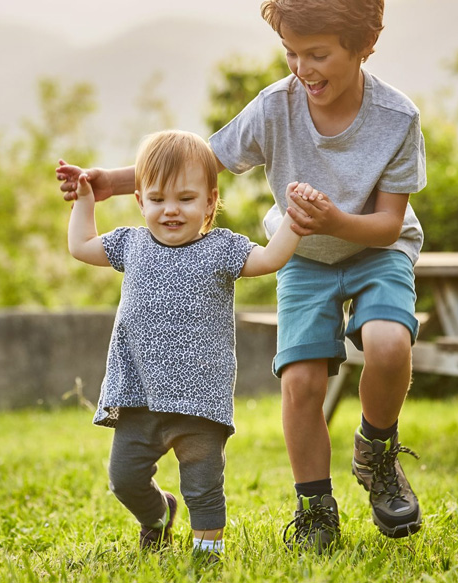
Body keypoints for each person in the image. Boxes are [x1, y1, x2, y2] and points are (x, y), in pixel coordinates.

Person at [57, 0, 426, 552]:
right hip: (301, 256)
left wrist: (332, 220)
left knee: (389, 344)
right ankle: (316, 507)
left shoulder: (397, 118)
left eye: (318, 54)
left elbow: (387, 224)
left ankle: (376, 451)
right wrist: (108, 180)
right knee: (301, 381)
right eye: (291, 53)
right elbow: (204, 161)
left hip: (376, 248)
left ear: (364, 46)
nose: (302, 69)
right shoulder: (275, 106)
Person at [67, 129, 307, 559]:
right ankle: (158, 516)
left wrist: (293, 220)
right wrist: (85, 200)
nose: (170, 210)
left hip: (200, 401)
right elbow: (81, 246)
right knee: (124, 478)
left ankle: (207, 556)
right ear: (140, 201)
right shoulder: (131, 243)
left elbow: (270, 259)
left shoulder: (222, 249)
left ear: (211, 202)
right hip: (138, 395)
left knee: (203, 484)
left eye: (186, 198)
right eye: (157, 199)